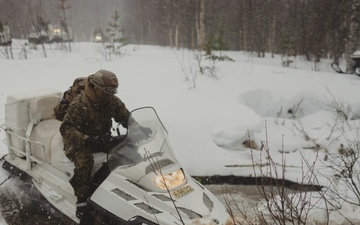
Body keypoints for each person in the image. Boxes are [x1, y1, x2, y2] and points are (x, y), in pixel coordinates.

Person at [59, 70, 130, 218]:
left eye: (114, 90)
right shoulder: (79, 104)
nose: (111, 94)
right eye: (107, 90)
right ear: (96, 88)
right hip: (78, 141)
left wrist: (137, 127)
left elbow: (125, 116)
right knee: (85, 162)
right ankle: (82, 200)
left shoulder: (112, 101)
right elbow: (65, 129)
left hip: (102, 138)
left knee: (128, 147)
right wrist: (87, 139)